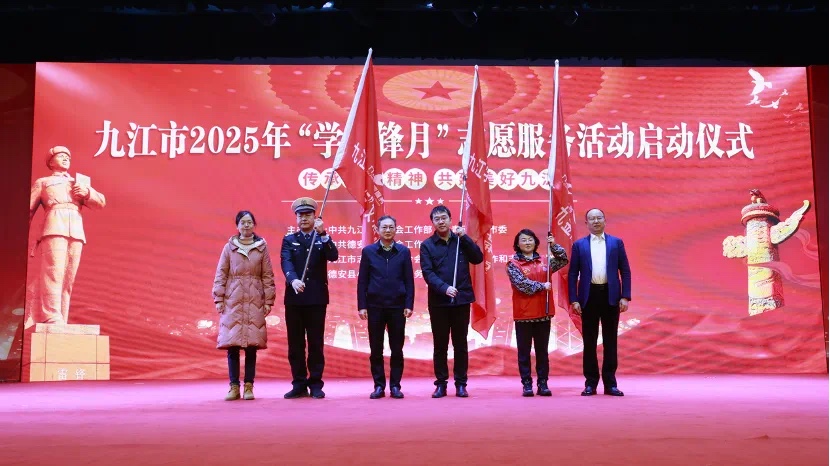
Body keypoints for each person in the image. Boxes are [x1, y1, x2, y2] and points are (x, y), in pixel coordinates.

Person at [29, 145, 106, 325]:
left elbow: (100, 203)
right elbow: (28, 210)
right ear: (51, 162)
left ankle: (61, 317)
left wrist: (87, 193)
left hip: (76, 230)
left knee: (68, 277)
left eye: (68, 157)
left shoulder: (78, 182)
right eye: (61, 156)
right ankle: (51, 315)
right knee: (53, 272)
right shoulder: (43, 182)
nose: (66, 159)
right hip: (54, 226)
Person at [419, 205, 483, 398]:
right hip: (439, 302)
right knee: (440, 345)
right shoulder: (427, 245)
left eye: (444, 217)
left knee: (460, 344)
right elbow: (428, 273)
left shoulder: (460, 240)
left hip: (461, 300)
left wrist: (465, 237)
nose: (441, 221)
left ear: (450, 219)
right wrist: (444, 288)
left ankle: (461, 384)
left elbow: (478, 258)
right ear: (432, 222)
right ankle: (441, 384)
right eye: (437, 218)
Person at [212, 210, 276, 401]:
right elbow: (221, 274)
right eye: (243, 222)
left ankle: (249, 386)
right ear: (237, 226)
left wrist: (268, 301)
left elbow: (267, 276)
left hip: (254, 300)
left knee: (251, 346)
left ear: (254, 225)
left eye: (249, 222)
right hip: (233, 300)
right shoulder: (229, 248)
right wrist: (219, 298)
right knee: (232, 345)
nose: (246, 225)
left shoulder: (262, 247)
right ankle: (233, 387)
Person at [568, 208, 631, 397]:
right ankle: (590, 383)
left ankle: (610, 384)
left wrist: (625, 296)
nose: (595, 221)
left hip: (611, 296)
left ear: (605, 220)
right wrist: (574, 299)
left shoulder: (616, 243)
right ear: (586, 223)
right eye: (591, 219)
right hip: (588, 297)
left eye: (599, 218)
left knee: (610, 341)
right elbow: (572, 274)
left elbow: (625, 271)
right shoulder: (579, 245)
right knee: (589, 341)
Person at [280, 197, 338, 399]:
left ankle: (315, 384)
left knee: (315, 343)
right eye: (300, 215)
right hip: (295, 299)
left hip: (316, 299)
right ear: (296, 218)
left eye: (308, 215)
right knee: (295, 345)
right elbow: (286, 262)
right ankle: (298, 384)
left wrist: (323, 234)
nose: (304, 218)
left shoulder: (321, 238)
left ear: (315, 217)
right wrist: (293, 280)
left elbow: (333, 256)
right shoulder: (289, 240)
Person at [357, 215, 415, 399]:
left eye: (391, 227)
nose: (388, 230)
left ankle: (395, 386)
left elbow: (409, 280)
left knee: (397, 349)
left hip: (397, 307)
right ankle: (379, 386)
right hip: (375, 306)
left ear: (396, 229)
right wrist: (362, 305)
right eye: (384, 227)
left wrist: (409, 304)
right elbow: (362, 281)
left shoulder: (403, 252)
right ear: (377, 230)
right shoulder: (368, 252)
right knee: (376, 349)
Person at [506, 228, 569, 397]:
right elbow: (522, 285)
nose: (527, 243)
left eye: (530, 239)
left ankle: (543, 383)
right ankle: (527, 384)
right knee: (524, 353)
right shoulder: (513, 264)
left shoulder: (545, 262)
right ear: (517, 244)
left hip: (543, 313)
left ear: (535, 242)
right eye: (523, 240)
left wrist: (553, 245)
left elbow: (563, 259)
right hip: (523, 315)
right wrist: (542, 286)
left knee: (542, 352)